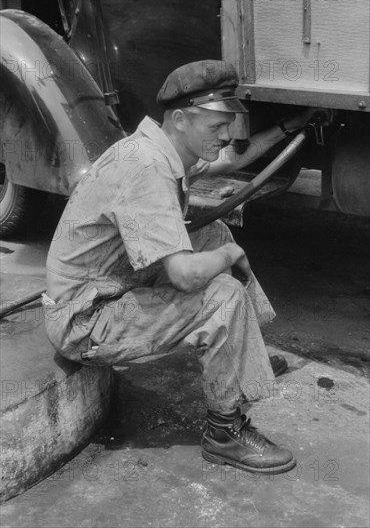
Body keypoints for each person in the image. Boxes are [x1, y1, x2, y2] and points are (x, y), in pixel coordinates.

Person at [43, 60, 310, 475]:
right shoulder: (146, 168)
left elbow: (231, 159)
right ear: (181, 119)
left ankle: (243, 355)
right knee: (223, 292)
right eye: (216, 127)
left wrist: (288, 127)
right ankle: (225, 434)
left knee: (214, 234)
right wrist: (232, 258)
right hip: (85, 320)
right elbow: (185, 275)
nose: (225, 135)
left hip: (110, 283)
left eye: (228, 125)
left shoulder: (163, 146)